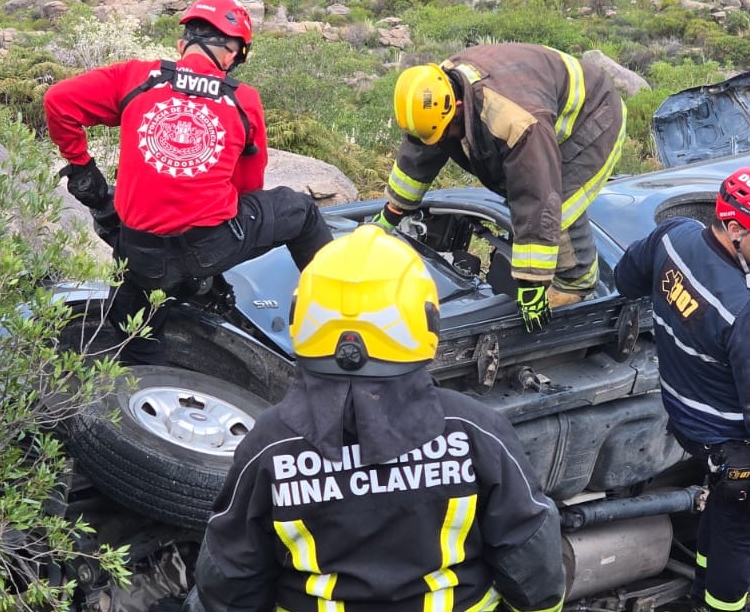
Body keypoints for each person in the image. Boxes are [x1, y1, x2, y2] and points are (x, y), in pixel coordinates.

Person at [184, 224, 566, 612]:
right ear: (426, 322)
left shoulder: (270, 442)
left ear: (303, 317)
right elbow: (531, 557)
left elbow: (231, 578)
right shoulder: (474, 430)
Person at [43, 0, 333, 366]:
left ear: (183, 45)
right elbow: (248, 187)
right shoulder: (243, 99)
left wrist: (82, 165)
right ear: (231, 54)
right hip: (213, 246)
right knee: (302, 212)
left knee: (137, 338)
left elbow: (58, 101)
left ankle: (147, 384)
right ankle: (339, 310)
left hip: (141, 255)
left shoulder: (135, 78)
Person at [613, 167, 750, 612]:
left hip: (689, 422)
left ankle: (701, 585)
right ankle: (718, 604)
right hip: (736, 443)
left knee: (723, 502)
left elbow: (627, 276)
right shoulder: (749, 314)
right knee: (742, 525)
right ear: (733, 229)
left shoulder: (674, 236)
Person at [373, 43, 627, 333]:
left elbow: (537, 198)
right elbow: (420, 153)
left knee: (557, 208)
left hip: (592, 119)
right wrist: (392, 213)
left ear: (457, 108)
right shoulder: (433, 93)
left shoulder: (515, 120)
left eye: (446, 132)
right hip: (538, 107)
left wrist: (531, 284)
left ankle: (576, 283)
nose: (443, 140)